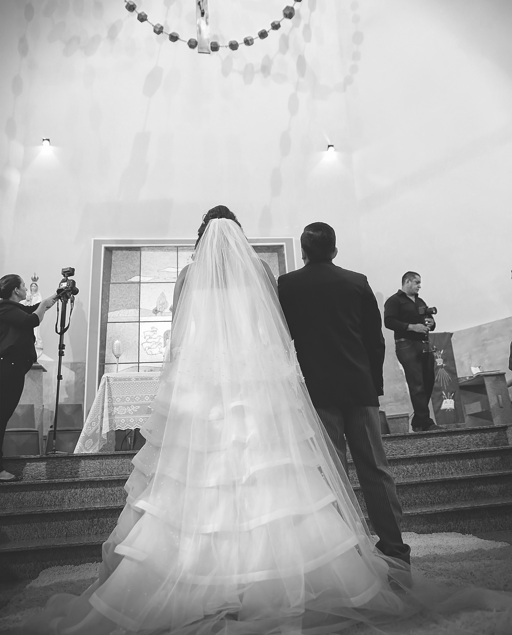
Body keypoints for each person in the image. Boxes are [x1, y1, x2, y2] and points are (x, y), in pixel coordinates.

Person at [21, 211, 512, 635]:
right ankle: (316, 562)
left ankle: (200, 570)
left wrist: (180, 375)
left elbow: (179, 332)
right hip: (256, 381)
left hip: (204, 384)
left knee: (201, 475)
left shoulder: (190, 274)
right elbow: (275, 330)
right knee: (271, 468)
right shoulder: (261, 270)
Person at [278, 222, 411, 568]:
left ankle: (345, 556)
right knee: (375, 469)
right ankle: (396, 551)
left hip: (318, 390)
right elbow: (375, 340)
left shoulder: (288, 285)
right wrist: (374, 385)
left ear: (303, 252)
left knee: (331, 472)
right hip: (358, 388)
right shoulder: (357, 281)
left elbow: (282, 338)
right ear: (335, 251)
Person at [0, 274, 57, 482]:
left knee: (2, 416)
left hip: (12, 369)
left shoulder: (11, 308)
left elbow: (31, 310)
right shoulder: (4, 307)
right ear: (16, 290)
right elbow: (32, 319)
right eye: (23, 286)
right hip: (7, 369)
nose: (26, 289)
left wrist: (53, 298)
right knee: (1, 416)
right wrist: (42, 306)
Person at [384, 272, 441, 433]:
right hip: (406, 344)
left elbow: (430, 321)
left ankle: (418, 421)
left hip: (424, 344)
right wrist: (411, 327)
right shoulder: (394, 300)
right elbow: (389, 321)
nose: (419, 286)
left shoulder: (420, 301)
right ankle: (425, 422)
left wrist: (431, 323)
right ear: (407, 282)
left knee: (428, 381)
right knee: (417, 384)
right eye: (416, 282)